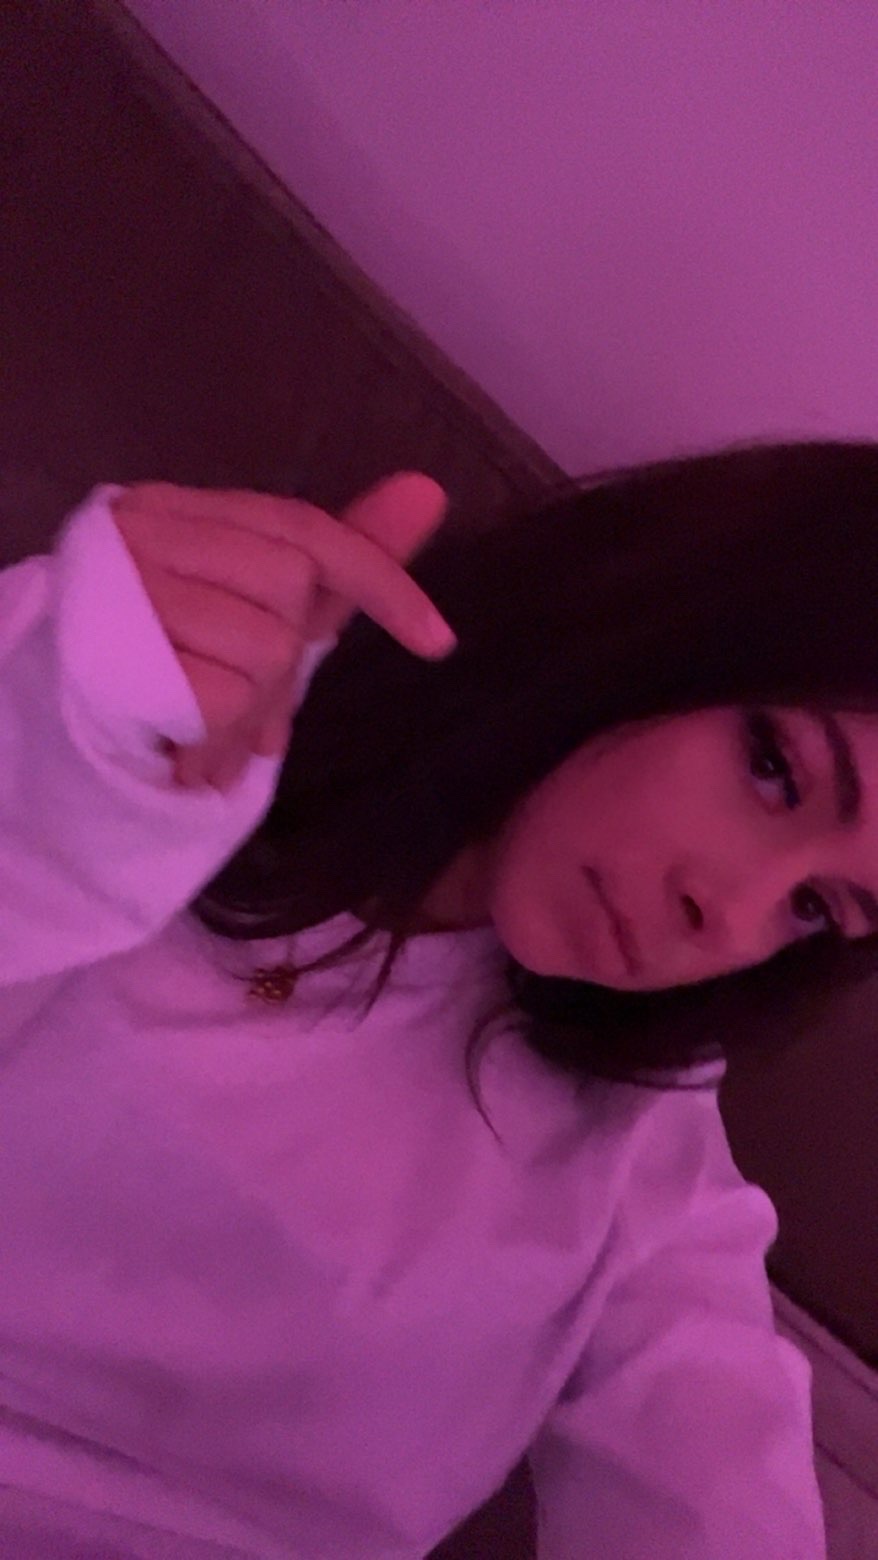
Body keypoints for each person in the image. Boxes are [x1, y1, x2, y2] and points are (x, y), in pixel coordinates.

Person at [4, 438, 874, 1558]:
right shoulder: (153, 695)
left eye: (814, 906)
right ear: (660, 625)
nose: (731, 916)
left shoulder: (642, 1153)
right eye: (773, 769)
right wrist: (85, 757)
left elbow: (714, 1470)